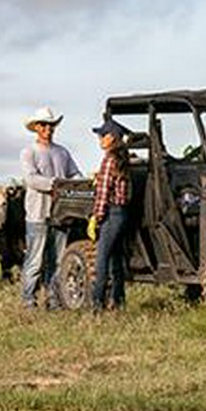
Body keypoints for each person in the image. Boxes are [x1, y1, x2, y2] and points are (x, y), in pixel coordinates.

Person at [20, 106, 81, 309]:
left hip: (61, 213)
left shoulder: (62, 152)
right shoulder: (29, 152)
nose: (48, 128)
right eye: (44, 124)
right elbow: (31, 179)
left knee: (57, 261)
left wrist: (82, 184)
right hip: (38, 212)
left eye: (51, 124)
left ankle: (53, 299)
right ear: (36, 127)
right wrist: (56, 184)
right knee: (35, 261)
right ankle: (29, 300)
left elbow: (75, 174)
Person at [90, 118, 131, 311]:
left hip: (111, 214)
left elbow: (104, 192)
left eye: (102, 135)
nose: (99, 139)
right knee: (116, 259)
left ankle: (97, 303)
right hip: (123, 214)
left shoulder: (109, 160)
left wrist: (97, 217)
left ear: (112, 138)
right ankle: (118, 301)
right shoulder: (123, 159)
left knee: (101, 260)